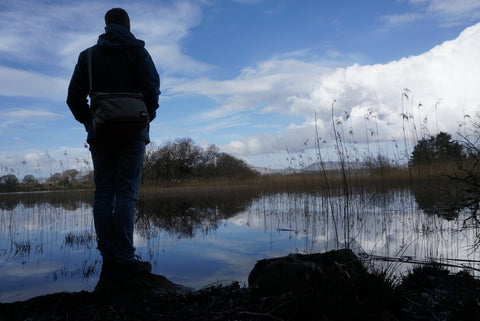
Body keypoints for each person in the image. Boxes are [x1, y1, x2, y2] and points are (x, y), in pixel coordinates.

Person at [67, 8, 160, 288]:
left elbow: (73, 98)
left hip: (101, 132)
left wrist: (91, 122)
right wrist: (145, 118)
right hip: (134, 132)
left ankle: (109, 256)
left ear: (106, 25)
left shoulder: (89, 56)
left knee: (105, 191)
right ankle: (125, 257)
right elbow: (152, 91)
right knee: (127, 193)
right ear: (128, 25)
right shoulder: (139, 52)